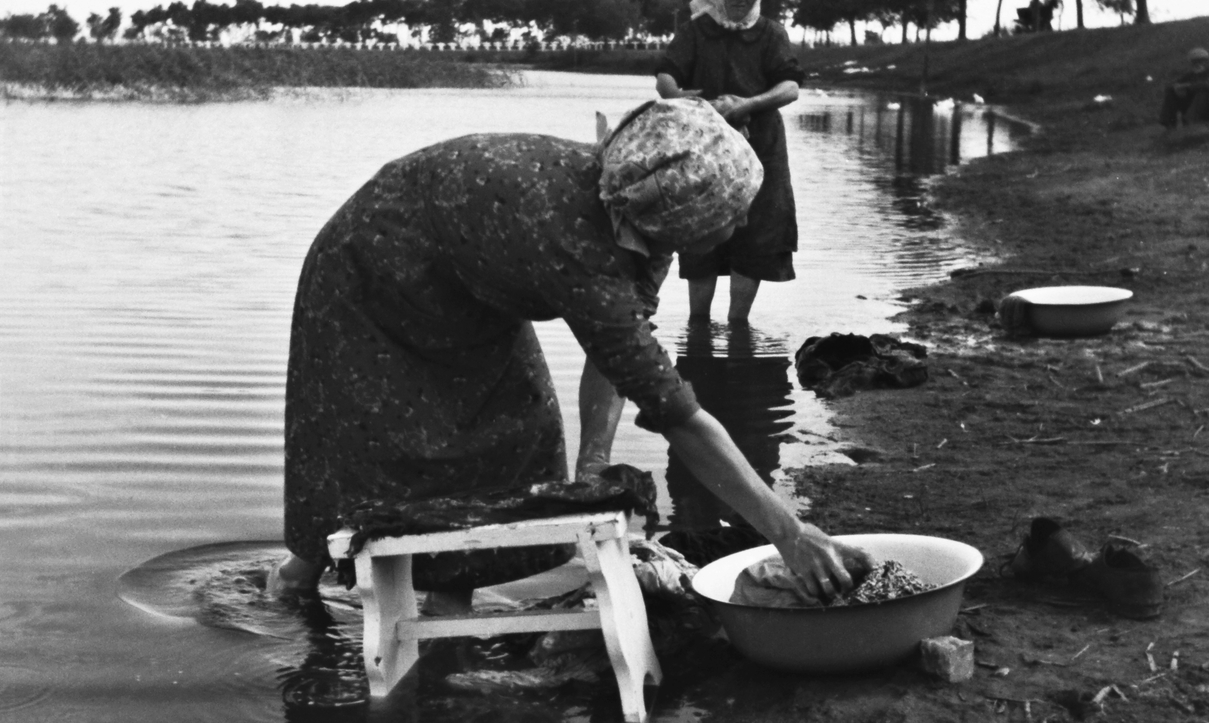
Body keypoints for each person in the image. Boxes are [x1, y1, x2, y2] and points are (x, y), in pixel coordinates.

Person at [270, 98, 856, 606]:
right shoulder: (586, 249)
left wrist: (594, 466)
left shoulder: (637, 206)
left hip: (466, 285)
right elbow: (675, 412)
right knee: (369, 441)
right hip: (367, 271)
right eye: (733, 214)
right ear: (687, 217)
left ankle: (450, 613)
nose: (745, 221)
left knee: (516, 424)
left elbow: (621, 348)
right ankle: (297, 578)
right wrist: (789, 532)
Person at [655, 0, 803, 323]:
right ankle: (698, 328)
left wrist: (746, 104)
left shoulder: (771, 33)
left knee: (757, 232)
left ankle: (739, 323)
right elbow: (665, 77)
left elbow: (790, 88)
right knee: (702, 229)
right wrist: (680, 98)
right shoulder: (696, 30)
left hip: (761, 147)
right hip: (703, 148)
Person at [1159, 46, 1209, 130]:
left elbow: (1206, 85)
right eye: (1194, 61)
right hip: (1193, 105)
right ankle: (1169, 124)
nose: (1198, 63)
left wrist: (1188, 86)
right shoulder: (1190, 75)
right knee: (1171, 91)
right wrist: (1177, 88)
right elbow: (1174, 84)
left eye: (1201, 61)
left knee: (1203, 91)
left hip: (1205, 105)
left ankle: (1193, 121)